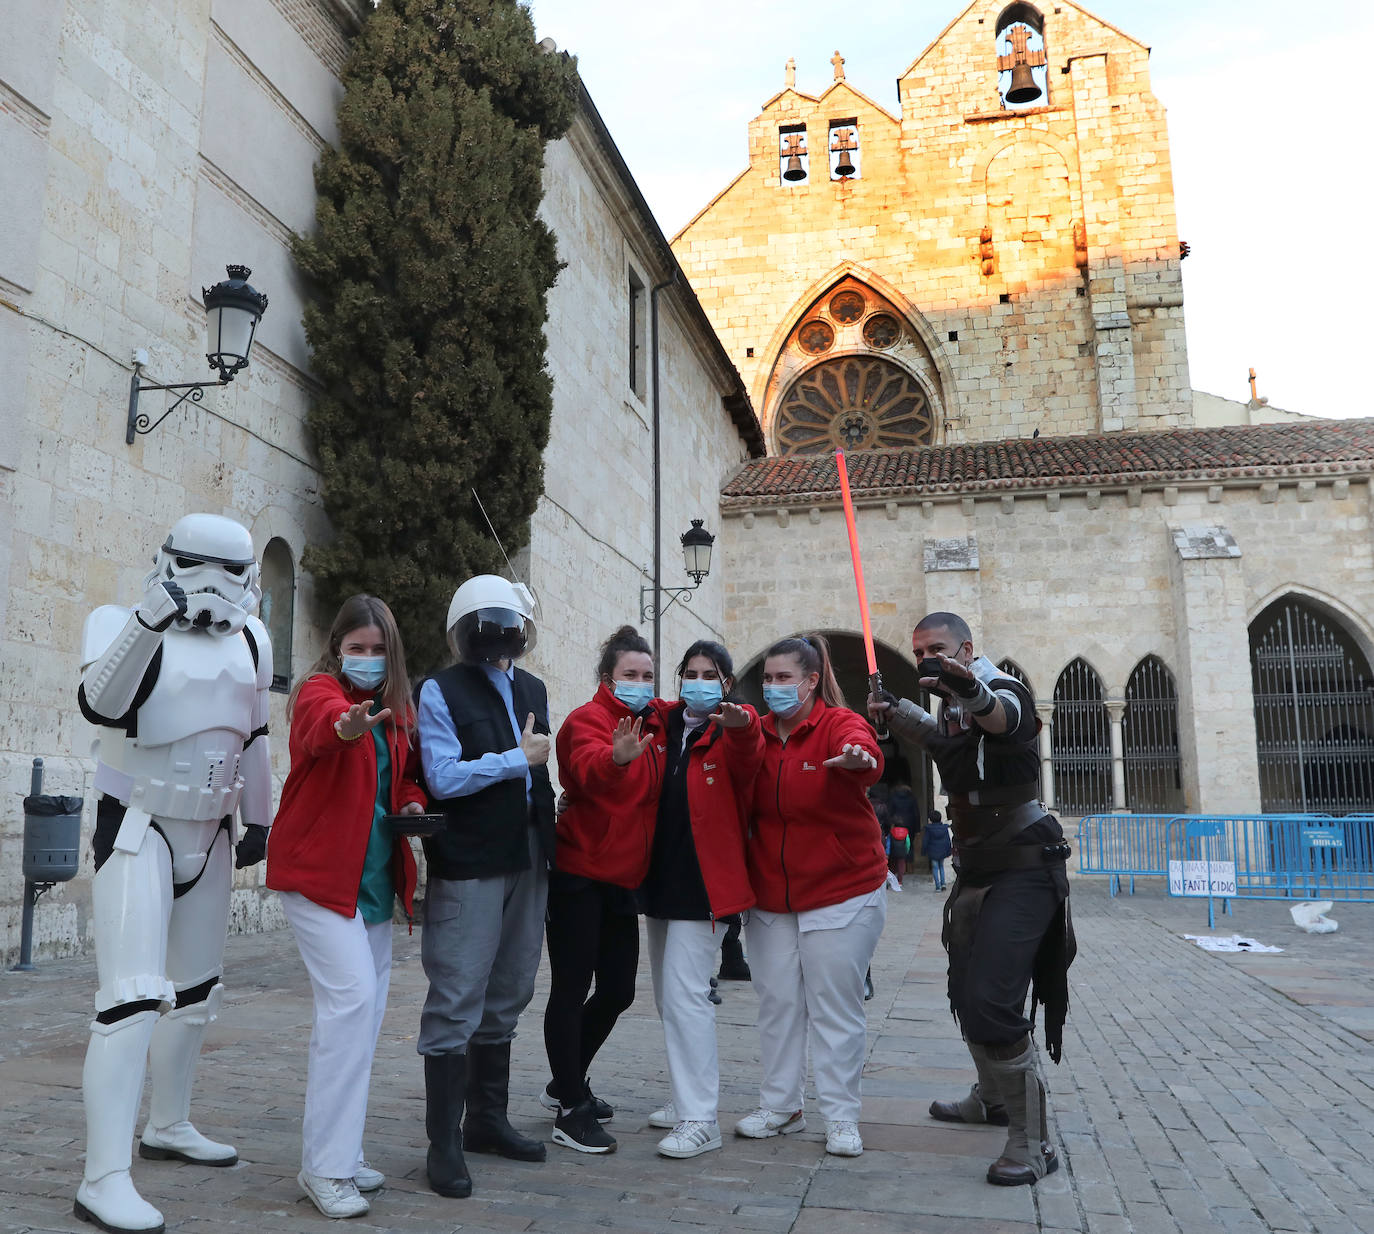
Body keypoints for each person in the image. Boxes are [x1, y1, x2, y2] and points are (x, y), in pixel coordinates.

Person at [73, 514, 273, 1234]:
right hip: (140, 824)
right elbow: (100, 701)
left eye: (232, 571)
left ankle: (169, 1123)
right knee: (130, 999)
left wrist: (262, 816)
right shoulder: (116, 623)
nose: (217, 588)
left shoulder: (253, 637)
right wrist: (149, 622)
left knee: (195, 991)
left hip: (212, 830)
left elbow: (254, 732)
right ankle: (103, 1176)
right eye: (199, 567)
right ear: (169, 562)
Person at [869, 612, 1075, 1188]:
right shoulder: (947, 705)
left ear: (967, 647)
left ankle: (1034, 1143)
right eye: (920, 652)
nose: (928, 659)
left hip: (1025, 867)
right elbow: (941, 742)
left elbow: (1004, 719)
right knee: (966, 988)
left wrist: (966, 686)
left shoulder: (1000, 688)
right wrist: (897, 710)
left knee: (993, 1000)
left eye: (938, 648)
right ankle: (992, 1098)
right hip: (976, 867)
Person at [266, 595, 427, 1219]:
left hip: (373, 885)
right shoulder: (318, 694)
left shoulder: (395, 714)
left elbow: (401, 778)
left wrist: (410, 802)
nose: (365, 658)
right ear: (336, 649)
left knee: (361, 1016)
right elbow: (320, 729)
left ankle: (343, 1150)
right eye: (354, 648)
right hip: (319, 877)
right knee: (351, 1002)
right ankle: (326, 1169)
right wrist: (345, 727)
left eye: (376, 648)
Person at [415, 576, 555, 1199]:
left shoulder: (533, 688)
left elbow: (541, 765)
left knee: (511, 985)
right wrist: (516, 760)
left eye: (509, 623)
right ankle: (443, 1142)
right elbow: (442, 778)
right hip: (470, 858)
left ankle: (487, 1122)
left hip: (527, 853)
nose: (501, 633)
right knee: (458, 989)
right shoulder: (439, 690)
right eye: (490, 622)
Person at [739, 633, 887, 1158]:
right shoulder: (754, 732)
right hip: (771, 895)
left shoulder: (836, 724)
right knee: (777, 1003)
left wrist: (857, 758)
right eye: (768, 678)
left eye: (785, 678)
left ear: (810, 681)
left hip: (841, 890)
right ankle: (782, 1105)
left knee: (833, 1008)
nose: (775, 687)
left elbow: (866, 751)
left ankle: (842, 1116)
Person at [544, 626, 667, 1154]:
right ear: (606, 678)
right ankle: (570, 1107)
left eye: (646, 676)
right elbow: (586, 771)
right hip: (579, 873)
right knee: (571, 989)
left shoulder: (657, 720)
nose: (639, 684)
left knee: (618, 991)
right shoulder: (586, 721)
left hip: (623, 877)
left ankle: (565, 1078)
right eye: (629, 675)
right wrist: (617, 759)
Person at [639, 641, 763, 1159]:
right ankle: (684, 1095)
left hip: (703, 885)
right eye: (689, 673)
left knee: (688, 996)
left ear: (727, 682)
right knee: (668, 997)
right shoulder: (666, 725)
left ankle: (700, 1118)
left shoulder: (733, 727)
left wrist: (741, 724)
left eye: (709, 674)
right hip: (659, 879)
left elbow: (749, 748)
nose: (698, 681)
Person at [921, 808, 952, 891]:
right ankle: (943, 884)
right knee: (941, 867)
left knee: (935, 868)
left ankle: (937, 886)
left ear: (930, 820)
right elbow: (947, 840)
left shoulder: (929, 829)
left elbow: (925, 841)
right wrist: (949, 851)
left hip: (933, 851)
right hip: (942, 851)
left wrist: (923, 851)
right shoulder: (944, 828)